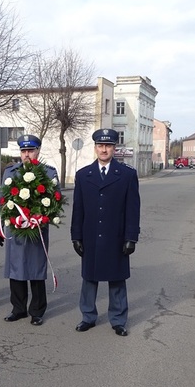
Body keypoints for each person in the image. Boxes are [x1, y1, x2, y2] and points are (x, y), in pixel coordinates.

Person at [70, 128, 140, 336]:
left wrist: (131, 237)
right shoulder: (84, 175)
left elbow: (133, 209)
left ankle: (118, 320)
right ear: (95, 148)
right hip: (91, 235)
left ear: (114, 148)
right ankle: (88, 316)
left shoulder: (127, 175)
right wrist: (76, 236)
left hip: (116, 236)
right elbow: (78, 209)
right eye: (100, 146)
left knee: (117, 279)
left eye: (108, 146)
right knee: (89, 278)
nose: (104, 149)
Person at [0, 134, 59, 326]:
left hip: (37, 229)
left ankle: (37, 311)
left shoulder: (49, 173)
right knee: (16, 268)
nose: (27, 155)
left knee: (36, 269)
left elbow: (55, 203)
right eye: (23, 151)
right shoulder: (10, 173)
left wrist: (41, 218)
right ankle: (18, 308)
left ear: (38, 151)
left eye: (31, 150)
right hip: (14, 229)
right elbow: (2, 202)